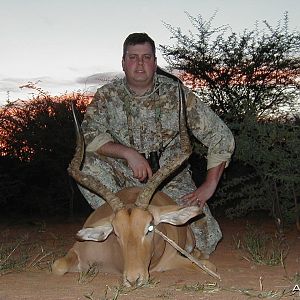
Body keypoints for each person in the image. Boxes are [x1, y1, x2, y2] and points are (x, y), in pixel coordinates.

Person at [78, 32, 235, 255]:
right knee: (85, 164)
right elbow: (89, 138)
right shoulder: (106, 96)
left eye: (146, 57)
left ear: (155, 62)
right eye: (133, 57)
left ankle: (153, 233)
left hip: (171, 180)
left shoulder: (178, 94)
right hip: (124, 181)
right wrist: (128, 153)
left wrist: (209, 186)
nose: (140, 64)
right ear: (123, 63)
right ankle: (123, 226)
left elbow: (221, 136)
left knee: (204, 238)